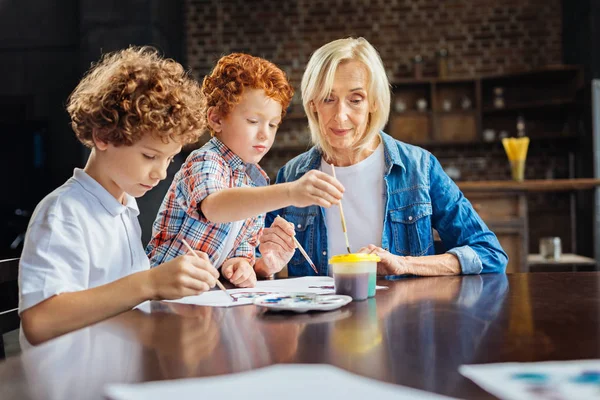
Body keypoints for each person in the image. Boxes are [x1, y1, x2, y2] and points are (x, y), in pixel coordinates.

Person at [18, 46, 219, 347]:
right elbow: (39, 321)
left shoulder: (123, 210)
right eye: (150, 156)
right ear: (103, 136)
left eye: (169, 159)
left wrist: (172, 280)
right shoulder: (64, 212)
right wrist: (150, 283)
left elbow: (126, 302)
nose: (161, 173)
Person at [257, 37, 508, 278]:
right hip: (321, 322)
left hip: (402, 320)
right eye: (328, 98)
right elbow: (254, 262)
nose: (341, 115)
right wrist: (264, 266)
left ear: (374, 103)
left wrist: (404, 264)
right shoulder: (291, 176)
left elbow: (489, 254)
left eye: (355, 99)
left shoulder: (419, 167)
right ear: (313, 104)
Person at [146, 53, 344, 286]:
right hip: (163, 291)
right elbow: (216, 207)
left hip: (206, 298)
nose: (264, 134)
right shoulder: (204, 160)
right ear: (216, 119)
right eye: (253, 121)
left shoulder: (255, 180)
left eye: (273, 125)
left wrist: (240, 265)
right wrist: (290, 193)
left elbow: (241, 248)